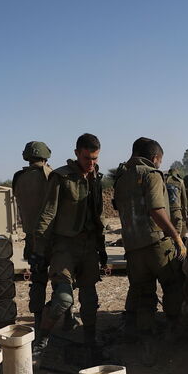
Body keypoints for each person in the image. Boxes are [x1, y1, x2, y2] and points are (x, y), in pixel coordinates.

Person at [32, 133, 110, 360]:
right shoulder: (61, 177)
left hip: (89, 247)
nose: (91, 163)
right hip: (64, 247)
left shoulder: (96, 177)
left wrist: (102, 248)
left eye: (95, 158)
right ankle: (42, 340)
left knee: (90, 300)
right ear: (76, 153)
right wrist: (38, 251)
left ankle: (89, 341)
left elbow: (99, 215)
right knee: (63, 299)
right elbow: (47, 215)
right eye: (87, 158)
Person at [113, 137, 186, 361]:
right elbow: (157, 210)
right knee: (174, 286)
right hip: (157, 245)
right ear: (155, 158)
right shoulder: (151, 175)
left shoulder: (121, 179)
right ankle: (175, 338)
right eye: (159, 161)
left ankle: (147, 347)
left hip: (133, 249)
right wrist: (177, 238)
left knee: (144, 296)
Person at [11, 141, 53, 328]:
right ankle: (60, 317)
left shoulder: (18, 178)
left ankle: (37, 319)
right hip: (52, 238)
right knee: (61, 280)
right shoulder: (50, 175)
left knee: (38, 280)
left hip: (32, 240)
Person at [164, 166, 188, 238]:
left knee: (166, 233)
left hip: (164, 212)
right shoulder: (180, 181)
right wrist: (185, 216)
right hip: (176, 211)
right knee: (177, 234)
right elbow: (184, 201)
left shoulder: (163, 181)